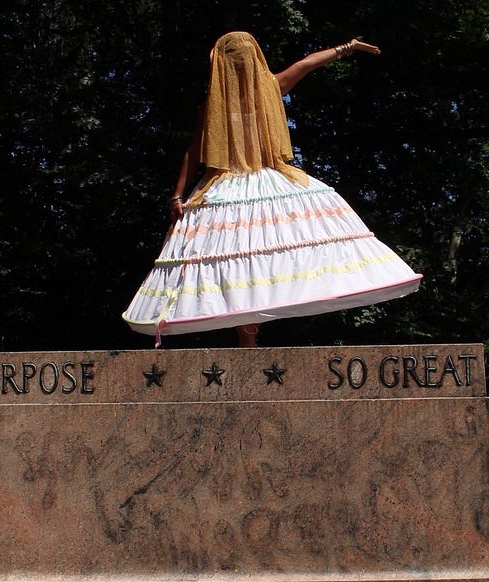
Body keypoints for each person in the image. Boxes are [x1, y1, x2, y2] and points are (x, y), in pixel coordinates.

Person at [123, 31, 421, 347]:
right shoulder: (247, 95)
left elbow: (193, 151)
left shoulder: (233, 99)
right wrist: (346, 48)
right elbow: (306, 64)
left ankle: (250, 341)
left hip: (232, 191)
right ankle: (250, 342)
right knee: (254, 261)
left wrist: (178, 193)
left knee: (245, 266)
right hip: (247, 188)